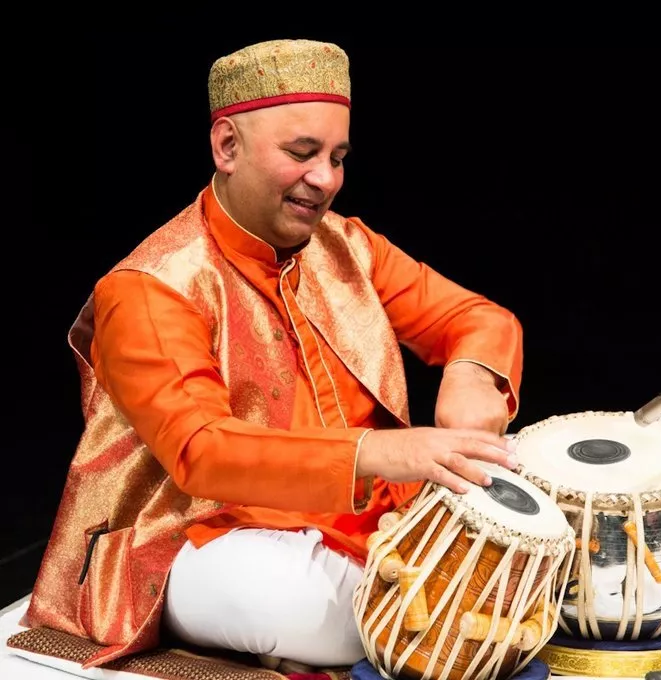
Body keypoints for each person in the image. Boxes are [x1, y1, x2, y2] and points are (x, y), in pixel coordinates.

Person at [20, 38, 523, 673]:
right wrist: (383, 453)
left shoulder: (348, 247)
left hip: (364, 522)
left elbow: (475, 318)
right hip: (195, 536)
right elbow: (204, 453)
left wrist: (474, 373)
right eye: (301, 153)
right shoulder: (152, 288)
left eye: (338, 157)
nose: (327, 180)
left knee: (527, 501)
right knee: (292, 601)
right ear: (226, 146)